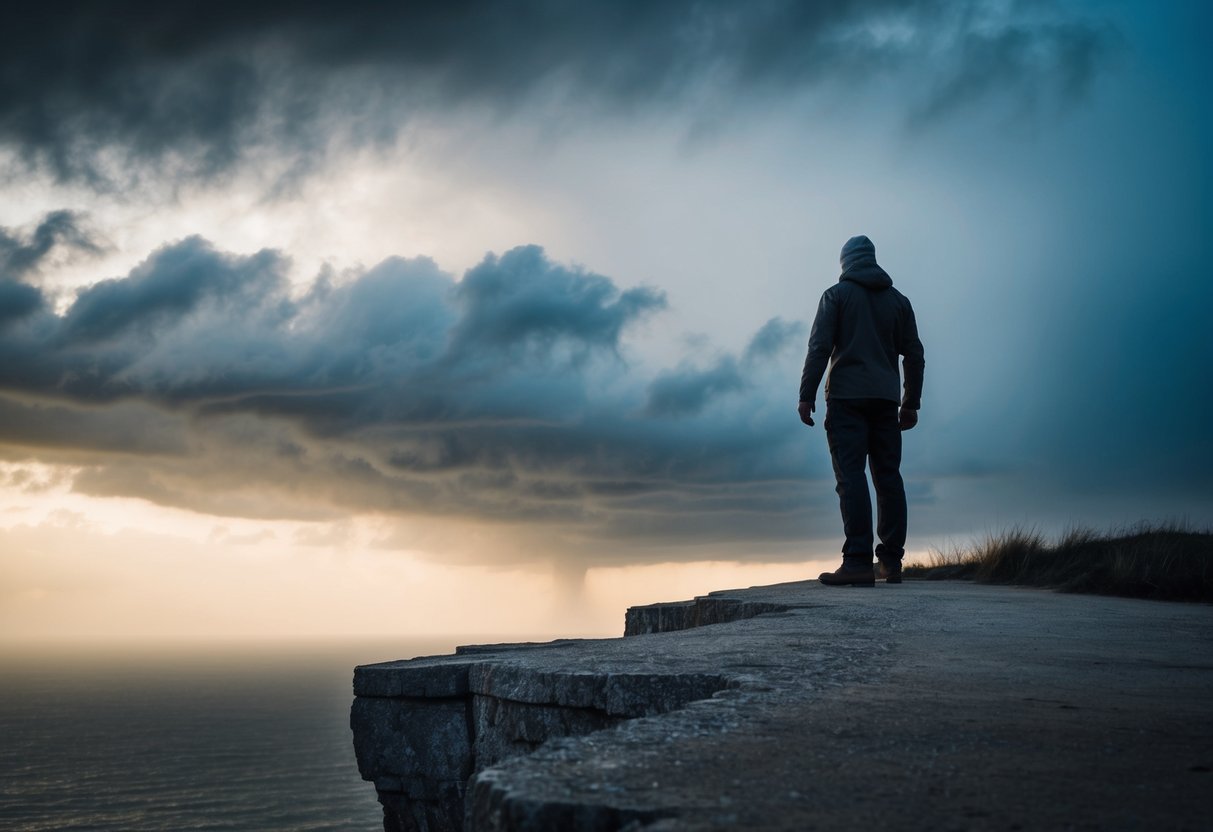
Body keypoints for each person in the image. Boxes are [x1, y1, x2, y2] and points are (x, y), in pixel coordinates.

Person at [799, 235, 925, 586]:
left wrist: (806, 394)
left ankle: (856, 562)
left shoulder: (835, 296)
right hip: (886, 401)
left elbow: (820, 347)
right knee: (888, 478)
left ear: (846, 263)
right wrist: (910, 402)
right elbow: (914, 354)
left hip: (846, 400)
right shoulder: (899, 302)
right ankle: (890, 563)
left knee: (850, 477)